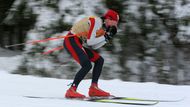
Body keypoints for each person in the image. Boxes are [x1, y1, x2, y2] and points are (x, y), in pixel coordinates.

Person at [64, 9, 119, 98]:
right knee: (87, 65)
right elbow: (90, 42)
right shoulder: (97, 21)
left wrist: (107, 38)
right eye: (115, 23)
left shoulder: (102, 27)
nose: (115, 25)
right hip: (71, 40)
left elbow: (94, 47)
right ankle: (71, 90)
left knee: (99, 60)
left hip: (77, 42)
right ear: (108, 19)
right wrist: (105, 36)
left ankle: (94, 88)